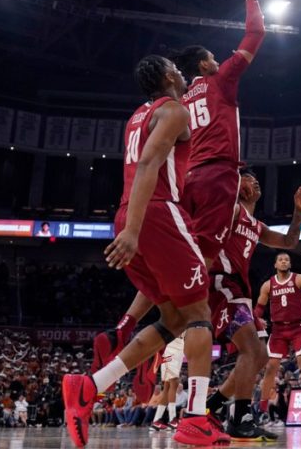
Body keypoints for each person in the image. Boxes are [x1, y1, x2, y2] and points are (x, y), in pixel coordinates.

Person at [92, 0, 266, 377]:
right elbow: (256, 35)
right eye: (209, 55)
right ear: (202, 65)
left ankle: (126, 328)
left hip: (183, 180)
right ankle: (189, 392)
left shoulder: (173, 103)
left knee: (174, 273)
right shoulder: (218, 80)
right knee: (197, 280)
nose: (214, 57)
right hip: (216, 178)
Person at [61, 55, 228, 447]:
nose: (184, 73)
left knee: (172, 316)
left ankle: (89, 386)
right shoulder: (174, 110)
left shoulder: (138, 115)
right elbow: (152, 162)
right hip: (156, 213)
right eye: (177, 68)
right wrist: (136, 231)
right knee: (200, 312)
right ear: (169, 76)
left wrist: (130, 226)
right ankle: (195, 418)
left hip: (128, 211)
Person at [204, 172, 301, 441]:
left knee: (259, 356)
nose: (255, 181)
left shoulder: (256, 225)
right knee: (253, 350)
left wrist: (298, 210)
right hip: (221, 284)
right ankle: (240, 418)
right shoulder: (231, 210)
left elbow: (289, 242)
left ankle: (213, 407)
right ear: (237, 187)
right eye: (247, 178)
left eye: (254, 178)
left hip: (239, 290)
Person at [256, 253, 301, 426]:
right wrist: (257, 320)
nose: (284, 261)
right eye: (281, 259)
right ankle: (262, 410)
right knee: (271, 367)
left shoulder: (300, 279)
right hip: (278, 328)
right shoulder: (267, 285)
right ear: (275, 264)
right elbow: (259, 308)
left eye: (287, 259)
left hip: (298, 326)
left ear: (290, 263)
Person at [150, 333, 184, 431]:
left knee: (167, 388)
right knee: (174, 383)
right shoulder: (181, 321)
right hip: (173, 349)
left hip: (171, 350)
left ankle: (156, 420)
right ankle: (172, 420)